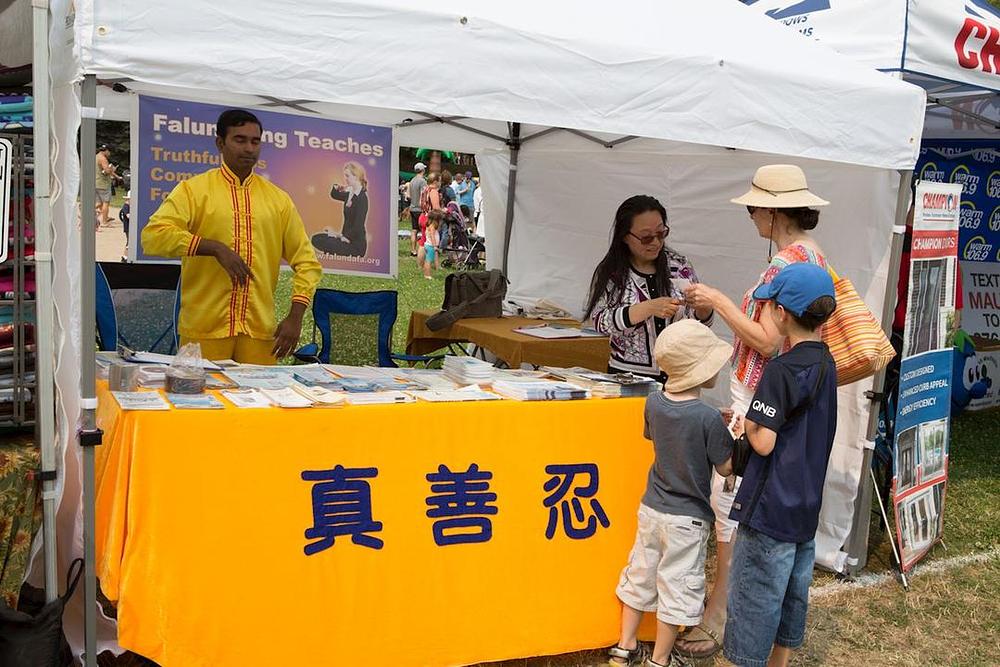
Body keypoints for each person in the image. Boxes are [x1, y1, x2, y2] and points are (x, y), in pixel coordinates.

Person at [677, 164, 829, 659]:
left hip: (766, 395)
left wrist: (718, 300)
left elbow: (765, 341)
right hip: (791, 402)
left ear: (772, 209)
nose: (750, 214)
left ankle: (722, 614)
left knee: (733, 505)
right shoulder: (811, 257)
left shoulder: (786, 264)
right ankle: (735, 615)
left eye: (754, 206)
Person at [723, 262, 838, 667]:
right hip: (805, 506)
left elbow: (764, 442)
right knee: (792, 593)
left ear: (781, 314)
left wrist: (747, 423)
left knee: (755, 599)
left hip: (770, 508)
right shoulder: (827, 364)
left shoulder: (780, 370)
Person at [141, 109, 321, 365]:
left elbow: (307, 262)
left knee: (258, 403)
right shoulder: (194, 191)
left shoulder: (278, 200)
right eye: (240, 139)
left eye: (255, 141)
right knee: (200, 403)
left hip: (258, 331)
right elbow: (153, 236)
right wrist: (212, 247)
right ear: (220, 143)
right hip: (204, 330)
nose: (249, 148)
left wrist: (296, 316)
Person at [610, 319, 734, 667]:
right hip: (687, 519)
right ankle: (660, 659)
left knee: (641, 575)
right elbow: (725, 467)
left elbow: (653, 437)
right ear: (699, 370)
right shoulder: (709, 418)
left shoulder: (654, 402)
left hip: (652, 508)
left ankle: (625, 645)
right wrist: (730, 437)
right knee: (677, 588)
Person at [584, 195, 714, 382]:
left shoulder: (678, 266)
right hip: (627, 378)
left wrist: (704, 309)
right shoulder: (613, 273)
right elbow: (600, 322)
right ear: (625, 237)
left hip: (678, 377)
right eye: (646, 237)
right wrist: (648, 308)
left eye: (661, 234)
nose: (656, 242)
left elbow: (697, 325)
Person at [311, 161, 370, 258]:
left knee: (325, 242)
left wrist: (343, 237)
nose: (345, 179)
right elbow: (335, 195)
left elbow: (358, 226)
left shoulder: (362, 198)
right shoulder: (350, 194)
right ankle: (334, 250)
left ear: (355, 176)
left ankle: (334, 252)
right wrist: (336, 187)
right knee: (317, 238)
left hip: (355, 244)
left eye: (347, 176)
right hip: (344, 238)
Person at [95, 144, 117, 229]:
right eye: (109, 152)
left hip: (96, 182)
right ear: (106, 151)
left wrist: (116, 176)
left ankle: (105, 217)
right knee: (106, 202)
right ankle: (104, 221)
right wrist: (112, 169)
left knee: (99, 203)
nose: (110, 154)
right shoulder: (103, 159)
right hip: (103, 183)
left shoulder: (96, 156)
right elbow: (107, 171)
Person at [408, 162, 427, 256]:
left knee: (414, 230)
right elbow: (423, 195)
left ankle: (413, 250)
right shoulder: (422, 181)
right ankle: (422, 250)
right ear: (423, 170)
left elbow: (409, 195)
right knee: (424, 230)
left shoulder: (412, 180)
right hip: (420, 209)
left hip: (412, 207)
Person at [420, 212, 442, 279]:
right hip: (430, 246)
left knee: (427, 260)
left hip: (427, 245)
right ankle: (428, 275)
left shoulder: (428, 225)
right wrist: (435, 246)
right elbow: (432, 236)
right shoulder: (432, 226)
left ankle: (426, 273)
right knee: (429, 261)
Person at [119, 190, 131, 262]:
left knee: (129, 242)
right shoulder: (126, 206)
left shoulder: (129, 206)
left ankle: (126, 256)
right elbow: (128, 215)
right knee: (129, 242)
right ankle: (125, 256)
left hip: (130, 227)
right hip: (128, 227)